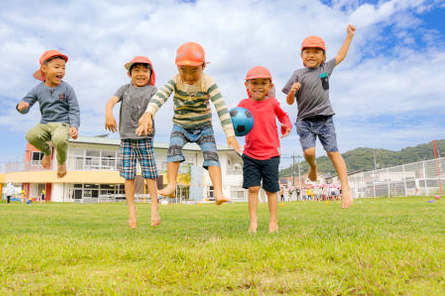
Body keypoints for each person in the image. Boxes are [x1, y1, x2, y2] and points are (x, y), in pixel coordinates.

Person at [136, 42, 240, 205]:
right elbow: (160, 97)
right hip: (181, 125)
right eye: (183, 70)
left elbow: (221, 107)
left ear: (203, 66)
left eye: (194, 70)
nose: (189, 76)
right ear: (177, 67)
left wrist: (230, 133)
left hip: (204, 127)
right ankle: (171, 185)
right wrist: (149, 113)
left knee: (211, 154)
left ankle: (219, 192)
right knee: (174, 149)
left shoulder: (208, 82)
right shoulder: (176, 80)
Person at [283, 25, 355, 209]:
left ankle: (345, 187)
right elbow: (289, 102)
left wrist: (349, 37)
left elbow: (340, 56)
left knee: (333, 152)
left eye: (317, 51)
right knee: (309, 153)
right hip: (305, 121)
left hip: (325, 119)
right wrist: (292, 92)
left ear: (323, 56)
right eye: (307, 52)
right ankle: (313, 167)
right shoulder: (297, 74)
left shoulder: (325, 68)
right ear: (301, 56)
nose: (312, 55)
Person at [105, 56, 160, 228]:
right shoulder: (124, 89)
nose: (141, 74)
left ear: (150, 74)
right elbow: (111, 101)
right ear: (130, 73)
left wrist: (148, 119)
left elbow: (155, 106)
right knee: (128, 176)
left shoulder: (152, 90)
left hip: (145, 138)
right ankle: (131, 209)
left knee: (150, 175)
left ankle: (154, 207)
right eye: (136, 70)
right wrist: (109, 113)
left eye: (145, 70)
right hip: (126, 138)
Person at [237, 66, 292, 233]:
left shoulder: (273, 103)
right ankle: (253, 223)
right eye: (254, 83)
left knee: (271, 189)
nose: (259, 86)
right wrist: (231, 134)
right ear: (247, 85)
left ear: (270, 85)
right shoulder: (244, 104)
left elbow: (284, 116)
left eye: (263, 83)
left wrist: (286, 125)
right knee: (253, 188)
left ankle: (273, 222)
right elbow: (232, 119)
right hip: (250, 153)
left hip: (271, 154)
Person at [16, 50, 80, 179]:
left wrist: (74, 126)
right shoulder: (38, 89)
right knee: (31, 135)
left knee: (59, 139)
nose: (61, 71)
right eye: (56, 67)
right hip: (44, 123)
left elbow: (74, 109)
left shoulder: (67, 89)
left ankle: (61, 163)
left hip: (62, 123)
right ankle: (47, 151)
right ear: (44, 69)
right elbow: (25, 105)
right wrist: (21, 107)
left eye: (63, 68)